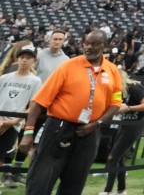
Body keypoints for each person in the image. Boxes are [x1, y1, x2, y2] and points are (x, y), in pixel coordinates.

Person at [21, 31, 123, 195]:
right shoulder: (68, 66)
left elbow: (116, 103)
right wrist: (28, 132)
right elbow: (39, 101)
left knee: (75, 181)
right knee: (41, 178)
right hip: (59, 128)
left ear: (105, 46)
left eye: (94, 44)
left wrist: (97, 123)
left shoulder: (112, 71)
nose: (89, 47)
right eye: (86, 43)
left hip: (90, 132)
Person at [100, 69, 144, 195]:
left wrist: (128, 108)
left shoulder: (135, 88)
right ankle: (121, 190)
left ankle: (107, 191)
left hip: (135, 125)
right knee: (119, 158)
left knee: (113, 157)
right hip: (125, 124)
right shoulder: (120, 91)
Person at [0, 46, 41, 186]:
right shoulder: (5, 78)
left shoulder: (35, 81)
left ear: (34, 61)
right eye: (22, 57)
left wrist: (12, 122)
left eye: (28, 58)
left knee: (1, 157)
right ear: (17, 59)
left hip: (14, 125)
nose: (24, 60)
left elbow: (32, 106)